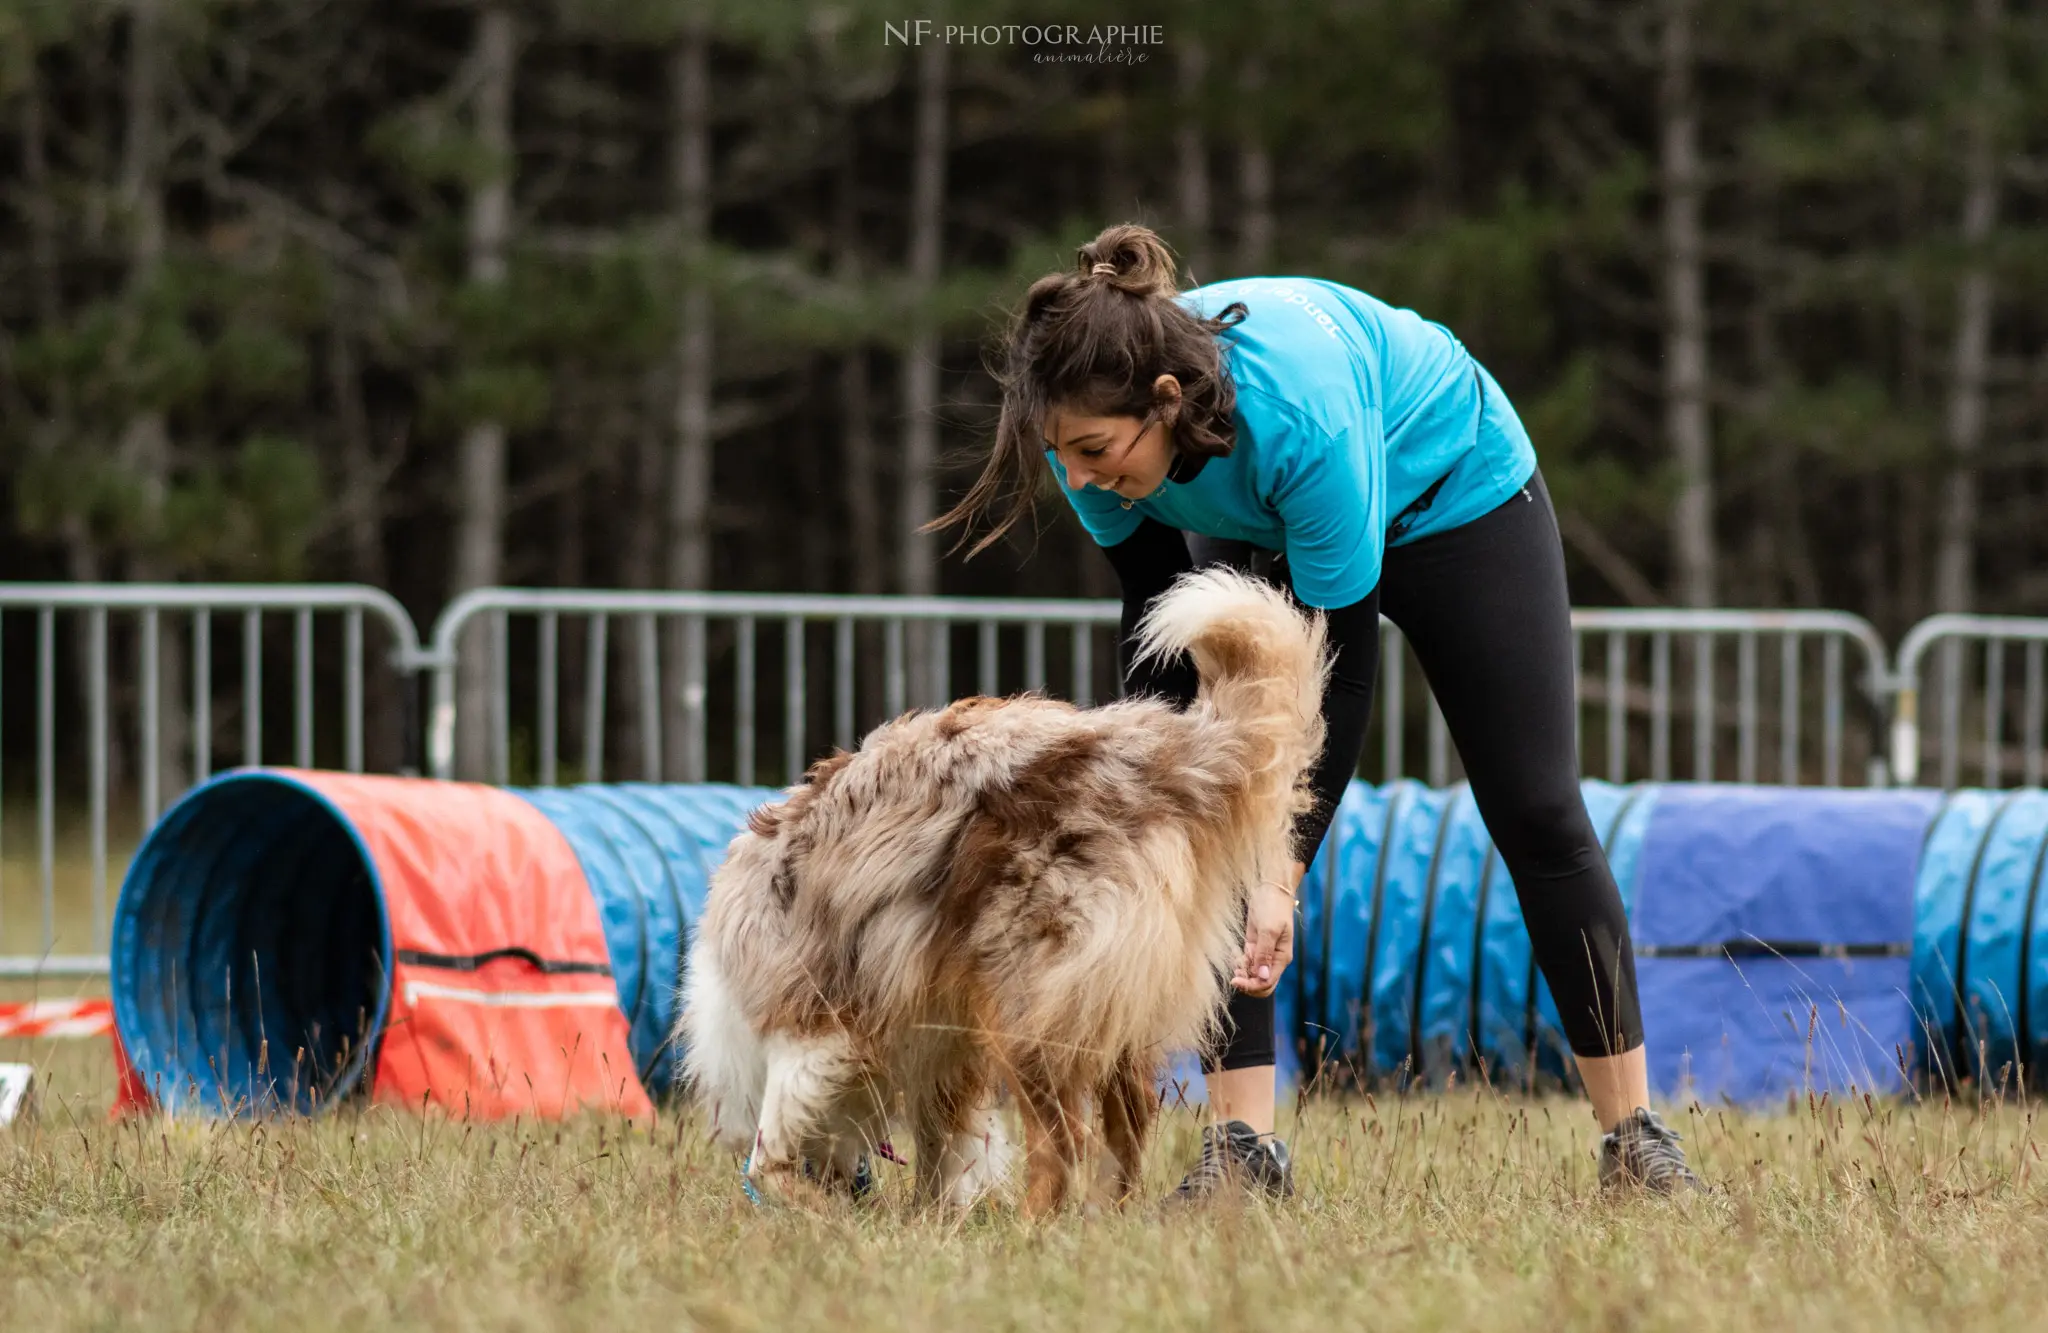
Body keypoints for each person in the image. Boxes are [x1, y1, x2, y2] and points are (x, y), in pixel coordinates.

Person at [929, 223, 1703, 1201]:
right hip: (1268, 524)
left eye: (1092, 451)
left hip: (1451, 492)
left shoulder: (1300, 418)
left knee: (1536, 809)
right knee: (1199, 815)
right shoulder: (1088, 445)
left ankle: (1632, 1138)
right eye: (1060, 455)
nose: (1077, 477)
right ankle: (1240, 1150)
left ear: (1164, 403)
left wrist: (1280, 877)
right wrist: (1144, 806)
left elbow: (1334, 670)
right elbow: (1154, 624)